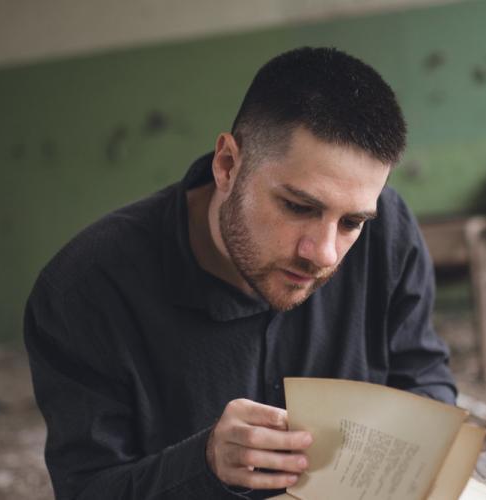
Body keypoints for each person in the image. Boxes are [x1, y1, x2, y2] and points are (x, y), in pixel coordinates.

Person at [24, 46, 456, 500]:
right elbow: (87, 490)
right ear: (227, 165)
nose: (324, 254)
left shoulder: (387, 229)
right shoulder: (85, 288)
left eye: (350, 223)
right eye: (298, 206)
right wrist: (205, 463)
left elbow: (424, 376)